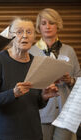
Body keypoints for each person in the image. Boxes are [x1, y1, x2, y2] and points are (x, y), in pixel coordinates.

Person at [0, 17, 59, 140]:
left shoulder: (36, 62)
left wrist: (44, 97)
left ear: (34, 37)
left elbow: (34, 104)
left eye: (29, 32)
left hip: (33, 133)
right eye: (19, 32)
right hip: (5, 134)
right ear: (10, 36)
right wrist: (13, 93)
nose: (25, 36)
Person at [29, 8, 81, 140]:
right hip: (40, 113)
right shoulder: (30, 52)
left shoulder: (69, 51)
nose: (47, 26)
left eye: (51, 23)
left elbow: (79, 82)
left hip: (66, 114)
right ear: (38, 27)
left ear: (57, 25)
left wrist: (70, 80)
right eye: (44, 23)